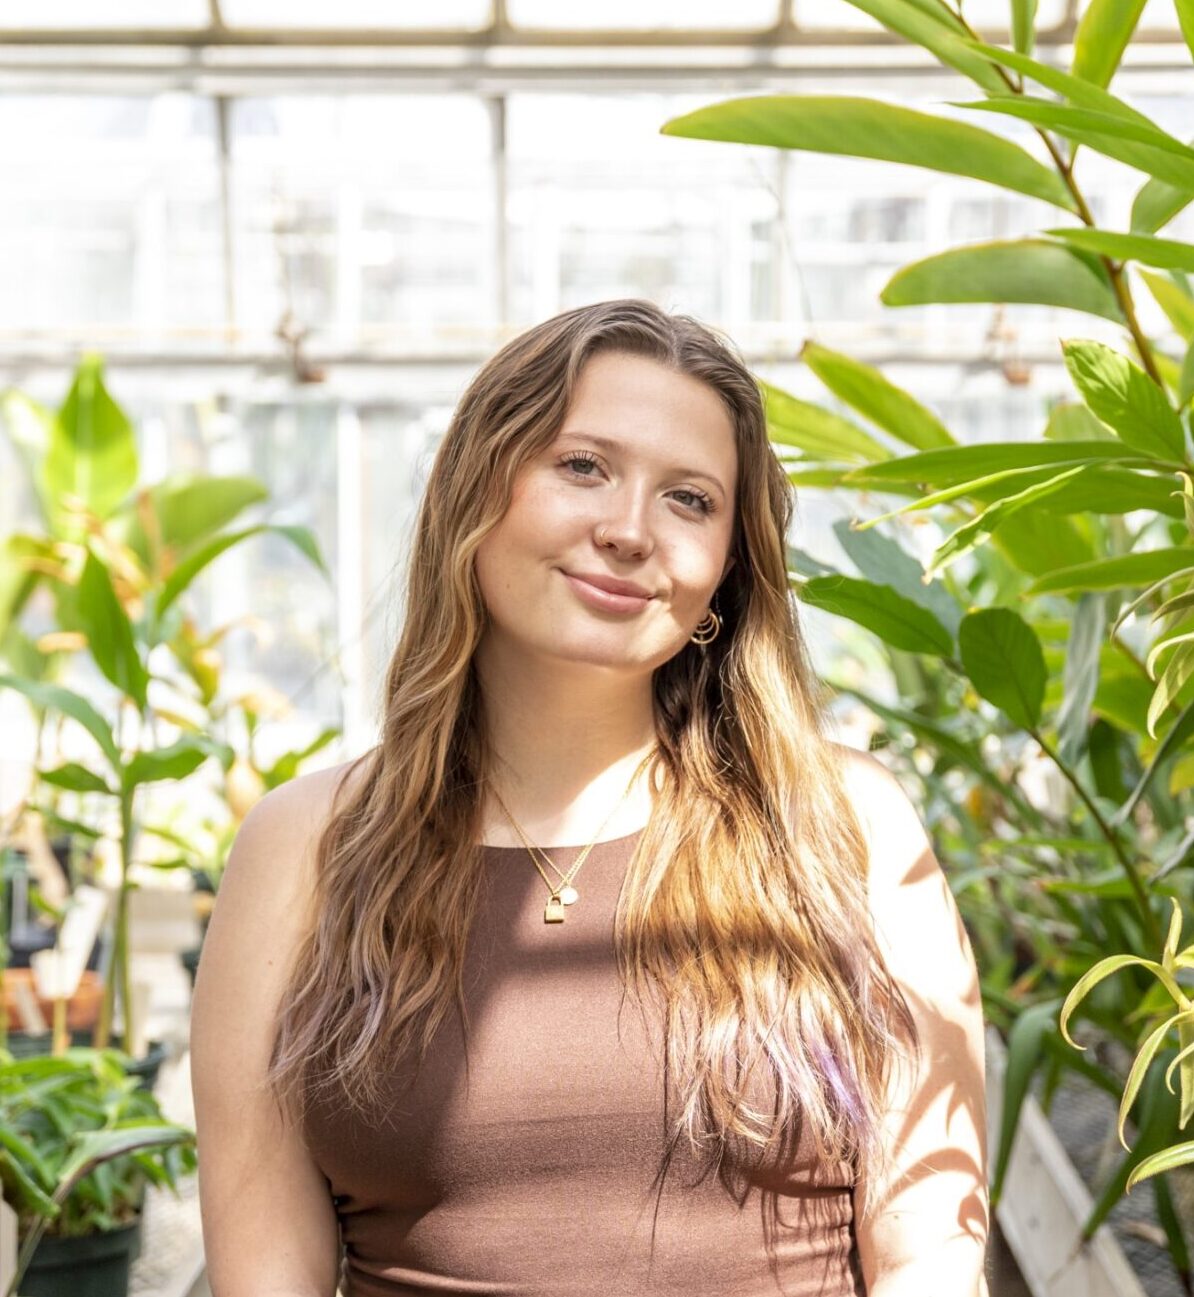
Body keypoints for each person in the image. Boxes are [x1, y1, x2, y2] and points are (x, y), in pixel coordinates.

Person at [191, 298, 989, 1296]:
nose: (627, 530)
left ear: (728, 569)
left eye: (689, 499)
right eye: (584, 467)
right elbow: (269, 1270)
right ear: (475, 487)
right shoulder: (305, 845)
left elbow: (929, 1255)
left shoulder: (849, 823)